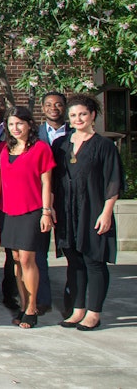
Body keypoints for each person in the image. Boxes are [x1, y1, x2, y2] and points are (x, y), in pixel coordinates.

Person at [53, 94, 121, 331]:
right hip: (66, 210)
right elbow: (53, 179)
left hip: (93, 209)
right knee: (74, 262)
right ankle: (78, 309)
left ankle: (94, 312)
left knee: (94, 261)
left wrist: (107, 212)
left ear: (93, 115)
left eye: (82, 114)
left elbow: (113, 181)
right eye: (73, 115)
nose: (78, 119)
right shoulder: (61, 144)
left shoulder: (104, 146)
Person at [0, 106, 55, 329]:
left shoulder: (41, 149)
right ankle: (23, 305)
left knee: (28, 259)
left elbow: (46, 183)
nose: (15, 128)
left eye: (19, 123)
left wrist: (46, 211)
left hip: (31, 210)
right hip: (8, 211)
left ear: (29, 124)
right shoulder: (4, 149)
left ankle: (32, 308)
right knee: (15, 259)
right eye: (11, 124)